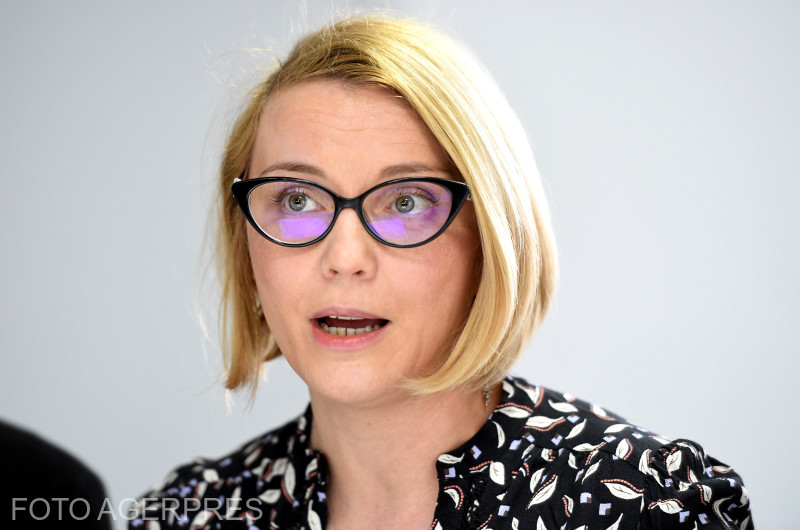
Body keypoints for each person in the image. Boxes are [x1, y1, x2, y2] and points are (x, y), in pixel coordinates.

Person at [129, 15, 753, 529]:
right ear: (246, 245)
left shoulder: (646, 506)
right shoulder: (189, 514)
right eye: (296, 200)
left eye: (405, 202)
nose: (344, 257)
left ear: (491, 239)